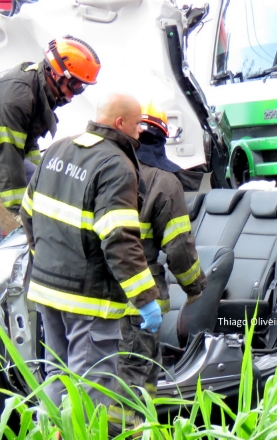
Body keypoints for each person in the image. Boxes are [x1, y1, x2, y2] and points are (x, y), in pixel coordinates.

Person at [20, 94, 161, 417]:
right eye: (138, 123)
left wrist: (44, 259)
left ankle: (50, 434)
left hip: (47, 289)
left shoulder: (58, 149)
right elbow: (119, 239)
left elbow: (28, 212)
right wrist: (145, 298)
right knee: (90, 386)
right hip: (88, 299)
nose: (141, 131)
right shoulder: (116, 166)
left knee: (57, 375)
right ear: (120, 123)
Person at [112, 101, 208, 426]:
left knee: (98, 374)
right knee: (136, 379)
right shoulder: (164, 182)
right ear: (162, 136)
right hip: (138, 303)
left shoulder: (103, 168)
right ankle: (130, 432)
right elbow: (179, 247)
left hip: (93, 299)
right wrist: (195, 289)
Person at [1, 35, 100, 218]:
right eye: (75, 85)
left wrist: (41, 179)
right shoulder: (18, 99)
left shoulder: (38, 87)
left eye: (82, 87)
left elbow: (27, 143)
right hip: (5, 155)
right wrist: (19, 213)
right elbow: (8, 157)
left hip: (7, 153)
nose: (76, 93)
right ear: (55, 74)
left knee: (42, 185)